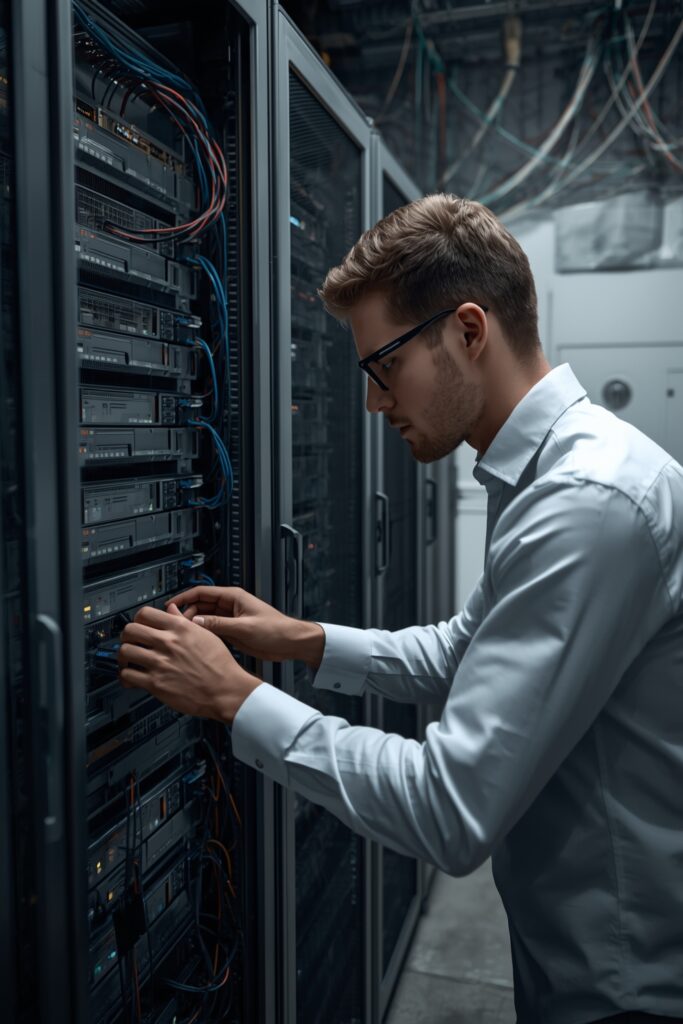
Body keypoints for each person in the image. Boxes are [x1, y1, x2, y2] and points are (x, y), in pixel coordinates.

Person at [118, 194, 683, 1024]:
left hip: (623, 980)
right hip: (582, 942)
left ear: (466, 330)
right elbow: (465, 652)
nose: (377, 403)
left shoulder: (584, 500)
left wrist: (236, 699)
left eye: (382, 366)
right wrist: (299, 640)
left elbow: (449, 811)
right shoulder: (547, 473)